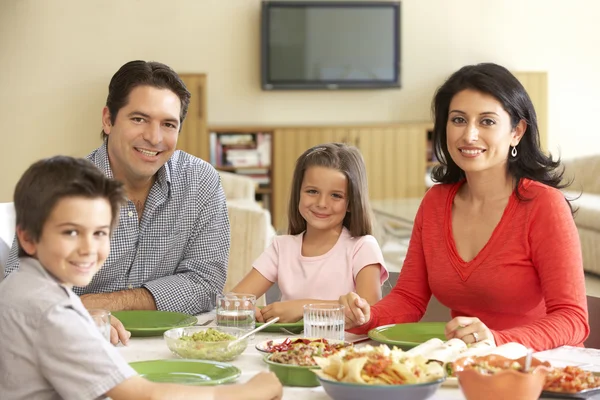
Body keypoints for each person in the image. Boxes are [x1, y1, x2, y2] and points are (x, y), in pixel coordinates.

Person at [339, 63, 589, 351]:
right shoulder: (435, 202)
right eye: (458, 120)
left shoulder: (544, 205)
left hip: (542, 369)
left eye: (487, 121)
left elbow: (573, 318)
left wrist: (497, 340)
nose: (469, 135)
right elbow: (409, 298)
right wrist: (368, 315)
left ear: (517, 132)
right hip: (467, 364)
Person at [0, 156, 282, 400]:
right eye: (71, 232)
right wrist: (249, 391)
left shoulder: (19, 286)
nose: (88, 249)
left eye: (99, 233)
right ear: (27, 237)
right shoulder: (55, 313)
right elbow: (148, 395)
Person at [5, 61, 230, 321]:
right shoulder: (59, 188)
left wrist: (98, 303)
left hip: (173, 342)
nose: (154, 138)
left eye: (168, 124)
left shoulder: (200, 181)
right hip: (77, 337)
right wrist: (77, 314)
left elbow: (206, 284)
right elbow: (18, 289)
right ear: (108, 120)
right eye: (139, 119)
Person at [232, 143, 389, 323]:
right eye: (312, 191)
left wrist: (302, 308)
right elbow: (233, 302)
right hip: (287, 348)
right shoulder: (281, 247)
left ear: (352, 202)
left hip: (346, 349)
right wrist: (248, 310)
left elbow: (368, 312)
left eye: (336, 195)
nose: (322, 203)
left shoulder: (362, 247)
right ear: (298, 193)